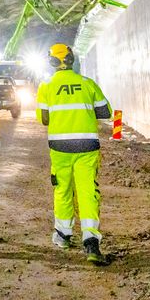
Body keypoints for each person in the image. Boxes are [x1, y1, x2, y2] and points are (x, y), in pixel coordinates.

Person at [36, 43, 112, 265]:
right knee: (88, 191)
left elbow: (44, 119)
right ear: (71, 59)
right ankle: (90, 241)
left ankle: (63, 235)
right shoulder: (87, 83)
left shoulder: (46, 85)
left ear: (51, 61)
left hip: (60, 148)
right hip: (87, 145)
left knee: (62, 189)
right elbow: (105, 112)